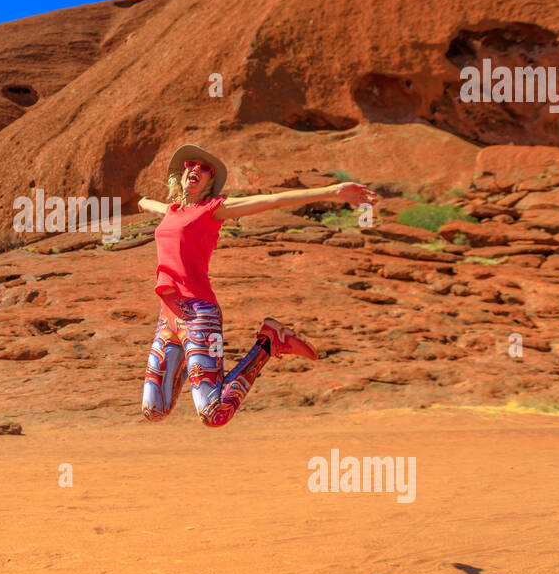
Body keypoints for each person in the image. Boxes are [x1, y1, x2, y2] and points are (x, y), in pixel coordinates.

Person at [137, 144, 378, 427]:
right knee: (154, 410)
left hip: (199, 316)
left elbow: (272, 200)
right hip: (167, 319)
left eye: (205, 169)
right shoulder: (171, 211)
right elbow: (147, 204)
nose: (196, 169)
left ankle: (269, 342)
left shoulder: (214, 209)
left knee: (214, 415)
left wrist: (332, 191)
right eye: (191, 164)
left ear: (210, 182)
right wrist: (142, 202)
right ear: (180, 175)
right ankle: (215, 365)